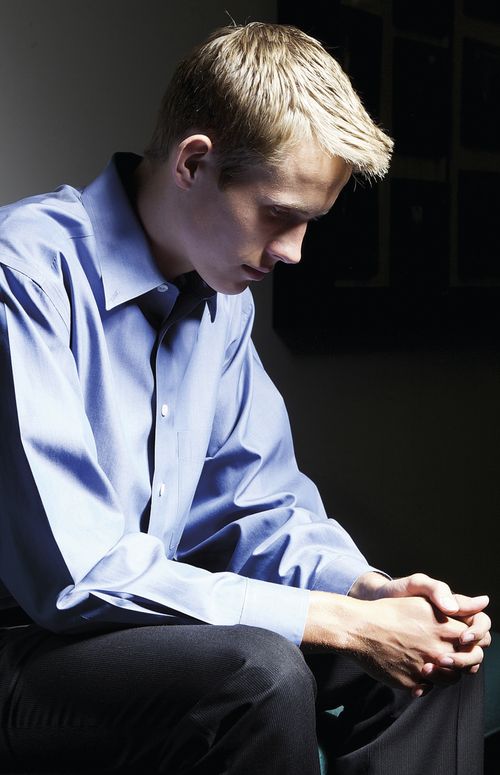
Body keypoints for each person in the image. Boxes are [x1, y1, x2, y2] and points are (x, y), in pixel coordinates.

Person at [0, 21, 491, 775]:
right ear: (195, 163)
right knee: (258, 677)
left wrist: (370, 591)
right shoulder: (23, 274)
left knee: (433, 655)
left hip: (149, 631)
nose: (293, 250)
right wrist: (340, 623)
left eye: (308, 223)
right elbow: (79, 575)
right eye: (277, 213)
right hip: (27, 645)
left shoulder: (221, 295)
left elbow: (254, 509)